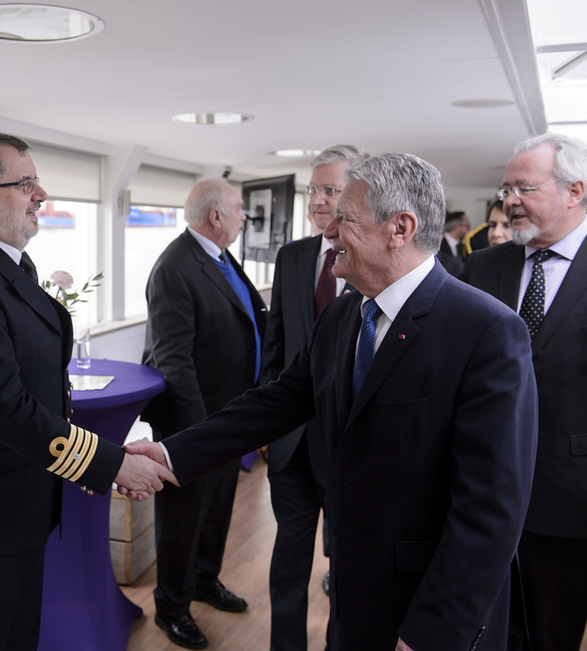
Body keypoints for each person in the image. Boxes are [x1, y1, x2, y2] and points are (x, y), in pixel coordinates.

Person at [129, 152, 538, 651]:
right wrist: (172, 452)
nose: (328, 230)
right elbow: (276, 402)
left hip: (425, 611)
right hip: (352, 588)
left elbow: (491, 508)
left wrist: (432, 631)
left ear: (400, 228)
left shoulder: (486, 332)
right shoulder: (344, 316)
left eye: (345, 218)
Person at [0, 132, 174, 651]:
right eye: (25, 184)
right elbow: (5, 406)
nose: (41, 194)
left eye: (37, 182)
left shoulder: (6, 267)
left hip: (14, 506)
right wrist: (112, 464)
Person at [462, 133, 587, 651]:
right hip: (479, 492)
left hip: (575, 499)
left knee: (551, 634)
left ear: (574, 190)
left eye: (523, 188)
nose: (507, 200)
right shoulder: (483, 266)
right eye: (505, 188)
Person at [140, 178, 266, 649]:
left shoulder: (219, 255)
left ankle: (203, 580)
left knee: (215, 512)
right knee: (183, 519)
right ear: (216, 216)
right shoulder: (175, 266)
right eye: (238, 211)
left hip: (228, 417)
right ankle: (171, 608)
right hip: (193, 424)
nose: (243, 219)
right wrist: (200, 434)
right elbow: (173, 359)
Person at [260, 144, 367, 651]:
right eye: (313, 189)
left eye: (331, 188)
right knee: (288, 564)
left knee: (347, 569)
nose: (318, 200)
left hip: (352, 445)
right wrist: (265, 424)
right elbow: (276, 345)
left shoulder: (373, 260)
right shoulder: (293, 256)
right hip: (292, 444)